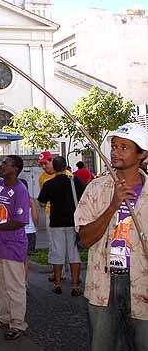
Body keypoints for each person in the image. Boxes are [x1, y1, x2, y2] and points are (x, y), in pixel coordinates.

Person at [75, 123, 148, 351]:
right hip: (103, 282)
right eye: (114, 146)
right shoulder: (96, 188)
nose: (115, 152)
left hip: (142, 284)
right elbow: (84, 239)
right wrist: (113, 206)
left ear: (142, 154)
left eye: (124, 147)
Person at [0, 155, 30, 340]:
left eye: (5, 163)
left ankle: (18, 323)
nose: (1, 165)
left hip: (13, 246)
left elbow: (20, 221)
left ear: (15, 169)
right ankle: (4, 318)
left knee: (14, 286)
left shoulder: (20, 191)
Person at [38, 156, 84, 296]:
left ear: (54, 167)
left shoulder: (49, 183)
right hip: (73, 222)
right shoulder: (74, 180)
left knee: (57, 252)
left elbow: (41, 203)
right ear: (65, 166)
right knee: (74, 253)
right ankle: (75, 286)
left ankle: (57, 284)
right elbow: (83, 197)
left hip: (56, 222)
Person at [19, 178, 38, 285]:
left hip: (24, 233)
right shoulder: (28, 200)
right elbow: (35, 219)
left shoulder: (26, 200)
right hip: (26, 232)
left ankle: (21, 281)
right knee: (23, 260)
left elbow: (36, 221)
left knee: (21, 260)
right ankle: (23, 281)